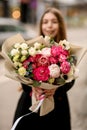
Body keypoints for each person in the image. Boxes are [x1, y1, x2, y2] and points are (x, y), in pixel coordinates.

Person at [12, 7, 75, 130]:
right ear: (40, 25)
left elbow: (71, 79)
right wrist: (33, 86)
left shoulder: (68, 51)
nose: (49, 26)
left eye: (54, 21)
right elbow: (21, 74)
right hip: (30, 103)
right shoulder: (30, 49)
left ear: (60, 25)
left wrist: (57, 89)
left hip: (57, 107)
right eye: (45, 22)